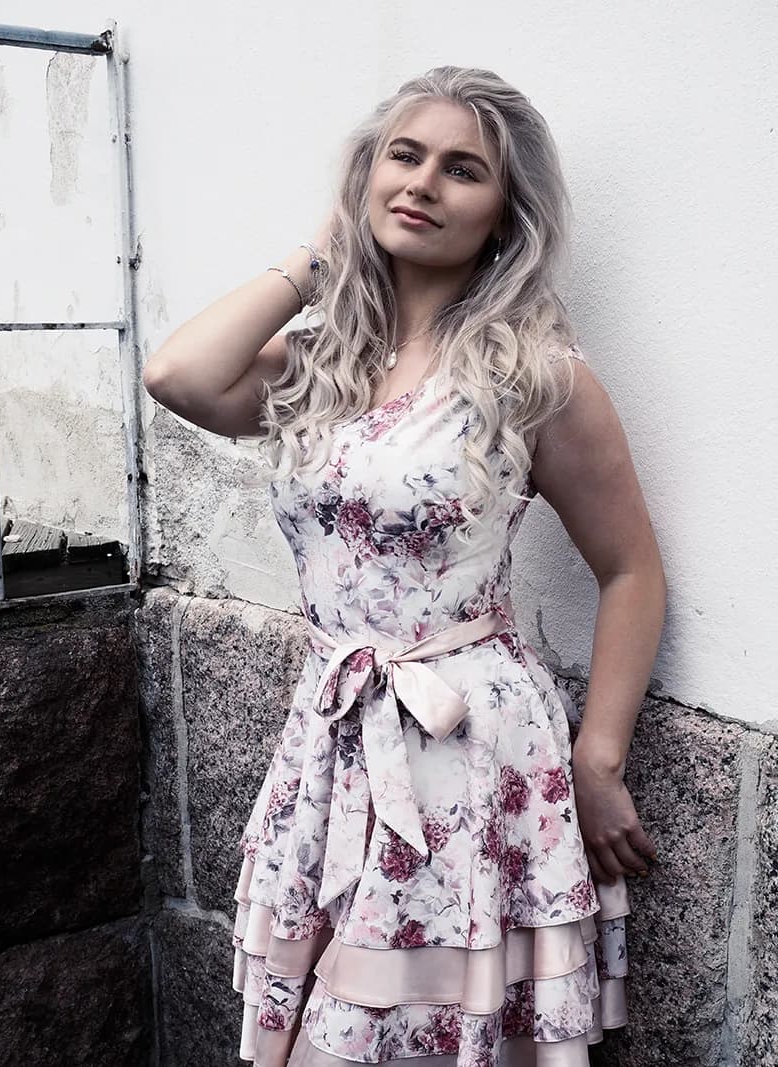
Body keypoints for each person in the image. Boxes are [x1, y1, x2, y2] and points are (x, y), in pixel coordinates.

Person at [144, 65, 666, 1067]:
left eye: (462, 169)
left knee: (413, 1035)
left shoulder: (535, 373)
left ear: (504, 212)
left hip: (467, 745)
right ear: (367, 175)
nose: (424, 183)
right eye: (404, 155)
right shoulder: (319, 360)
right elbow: (179, 374)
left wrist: (596, 757)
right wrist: (321, 257)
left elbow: (630, 567)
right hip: (330, 733)